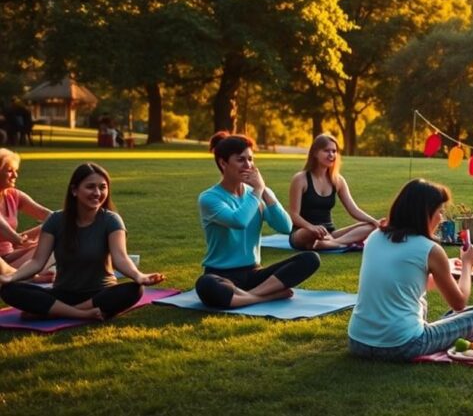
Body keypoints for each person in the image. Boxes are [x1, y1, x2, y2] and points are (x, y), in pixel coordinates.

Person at [347, 178, 473, 361]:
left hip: (358, 342)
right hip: (403, 345)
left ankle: (464, 333)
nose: (441, 218)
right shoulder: (429, 249)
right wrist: (467, 265)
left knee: (436, 309)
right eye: (439, 212)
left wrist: (444, 273)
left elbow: (404, 283)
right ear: (425, 214)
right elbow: (459, 303)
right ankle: (466, 334)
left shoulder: (375, 237)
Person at [0, 163, 164, 320]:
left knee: (135, 290)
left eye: (102, 187)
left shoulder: (112, 220)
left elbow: (120, 258)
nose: (97, 193)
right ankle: (81, 313)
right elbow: (37, 262)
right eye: (90, 186)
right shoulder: (56, 221)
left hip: (100, 293)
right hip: (63, 293)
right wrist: (11, 278)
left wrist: (139, 276)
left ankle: (56, 312)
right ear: (74, 190)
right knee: (9, 290)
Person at [194, 132, 320, 308]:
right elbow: (239, 221)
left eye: (251, 159)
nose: (248, 165)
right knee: (205, 285)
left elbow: (285, 226)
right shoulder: (209, 198)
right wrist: (258, 190)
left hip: (254, 274)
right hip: (221, 276)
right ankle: (265, 296)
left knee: (310, 259)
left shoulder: (259, 193)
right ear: (223, 163)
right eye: (241, 160)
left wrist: (265, 192)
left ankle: (248, 296)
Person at [287, 133, 380, 250]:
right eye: (327, 151)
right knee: (312, 234)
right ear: (315, 153)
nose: (331, 155)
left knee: (371, 226)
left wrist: (375, 221)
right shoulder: (300, 179)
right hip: (303, 232)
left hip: (330, 233)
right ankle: (334, 243)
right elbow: (294, 215)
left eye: (334, 151)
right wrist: (311, 227)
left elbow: (353, 210)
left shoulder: (337, 180)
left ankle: (333, 243)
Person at [0, 149, 53, 271]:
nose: (15, 175)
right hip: (2, 263)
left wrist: (65, 220)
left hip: (10, 254)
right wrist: (26, 242)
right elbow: (11, 235)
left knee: (57, 228)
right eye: (9, 171)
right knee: (52, 247)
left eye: (16, 171)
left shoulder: (13, 195)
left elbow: (46, 214)